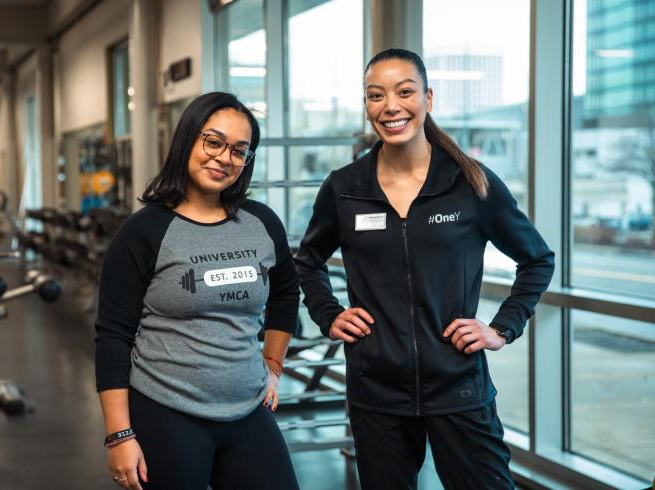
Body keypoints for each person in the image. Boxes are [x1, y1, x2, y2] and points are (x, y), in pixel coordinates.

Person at [295, 48, 555, 489]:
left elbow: (537, 259)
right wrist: (328, 312)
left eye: (405, 91)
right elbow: (308, 259)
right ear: (367, 106)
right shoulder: (345, 188)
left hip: (459, 385)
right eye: (375, 95)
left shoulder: (470, 182)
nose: (390, 106)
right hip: (376, 391)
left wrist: (502, 328)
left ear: (428, 98)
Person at [94, 92, 300, 490]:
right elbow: (113, 337)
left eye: (240, 150)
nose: (225, 157)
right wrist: (119, 435)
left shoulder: (262, 222)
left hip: (247, 410)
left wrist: (273, 367)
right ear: (188, 138)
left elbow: (286, 293)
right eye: (214, 141)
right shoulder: (144, 231)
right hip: (167, 411)